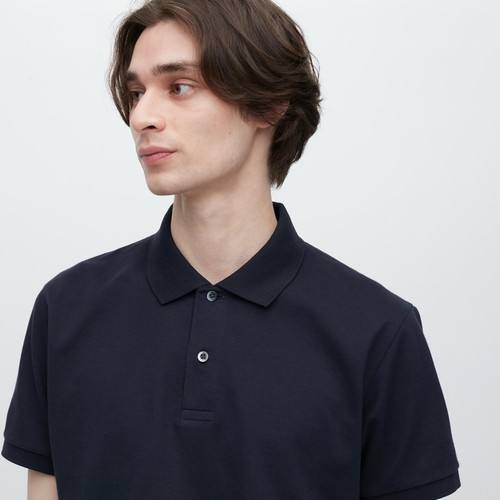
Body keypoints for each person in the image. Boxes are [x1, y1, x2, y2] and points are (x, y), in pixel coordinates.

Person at [1, 1, 461, 499]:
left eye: (179, 87)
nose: (142, 117)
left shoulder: (378, 330)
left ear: (270, 103)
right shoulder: (66, 308)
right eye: (136, 92)